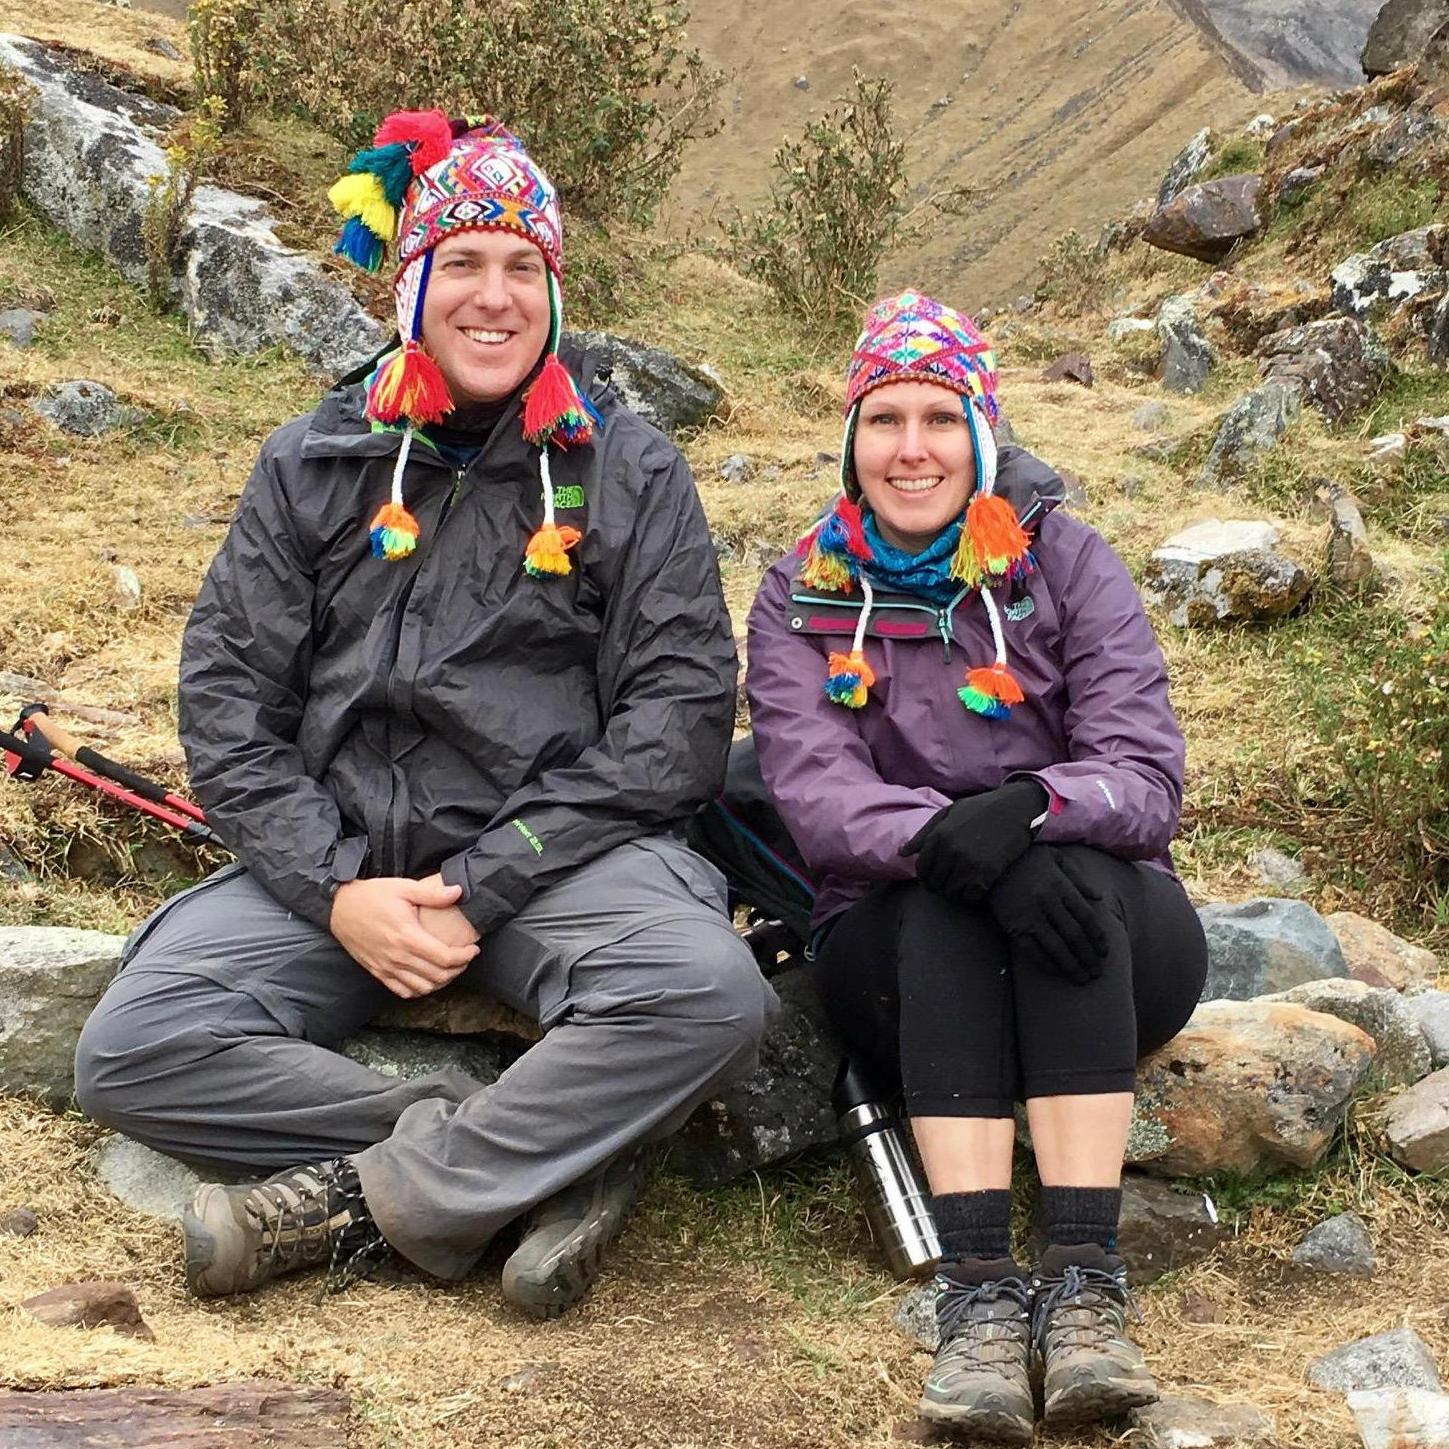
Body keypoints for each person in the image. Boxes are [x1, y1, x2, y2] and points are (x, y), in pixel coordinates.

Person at [72, 110, 774, 1317]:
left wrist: (496, 872)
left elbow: (679, 717)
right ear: (410, 287)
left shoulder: (630, 468)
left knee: (709, 987)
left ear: (553, 290)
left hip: (558, 859)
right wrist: (337, 886)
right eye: (462, 265)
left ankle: (367, 1201)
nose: (492, 298)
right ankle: (531, 1152)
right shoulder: (311, 462)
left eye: (522, 268)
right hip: (338, 862)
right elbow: (228, 701)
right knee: (132, 1048)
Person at [746, 292, 1207, 1441]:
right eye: (885, 419)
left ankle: (1086, 1285)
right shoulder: (800, 591)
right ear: (851, 439)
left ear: (984, 431)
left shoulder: (1070, 563)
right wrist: (966, 851)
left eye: (940, 419)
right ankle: (980, 1295)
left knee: (1078, 885)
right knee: (949, 908)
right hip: (895, 953)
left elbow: (1146, 777)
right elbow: (818, 799)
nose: (913, 449)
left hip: (1099, 931)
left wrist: (1031, 810)